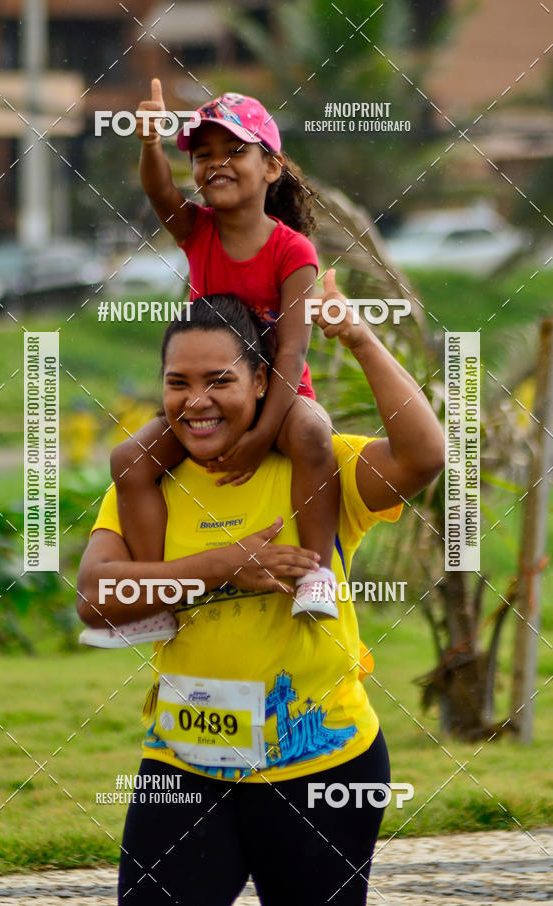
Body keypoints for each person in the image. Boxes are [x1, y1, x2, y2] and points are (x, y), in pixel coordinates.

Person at [77, 282, 445, 906]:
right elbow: (96, 597)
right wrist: (224, 565)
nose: (196, 401)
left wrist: (359, 338)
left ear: (261, 383)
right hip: (183, 766)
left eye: (219, 380)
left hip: (323, 768)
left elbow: (424, 455)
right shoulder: (150, 481)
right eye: (177, 383)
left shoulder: (319, 466)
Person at [109, 81, 339, 636]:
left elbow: (293, 349)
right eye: (203, 154)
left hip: (278, 395)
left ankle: (317, 575)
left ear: (271, 167)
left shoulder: (293, 250)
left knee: (315, 436)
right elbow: (159, 189)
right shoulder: (197, 231)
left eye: (235, 150)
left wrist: (263, 434)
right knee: (128, 461)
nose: (217, 162)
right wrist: (150, 143)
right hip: (209, 394)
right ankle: (157, 596)